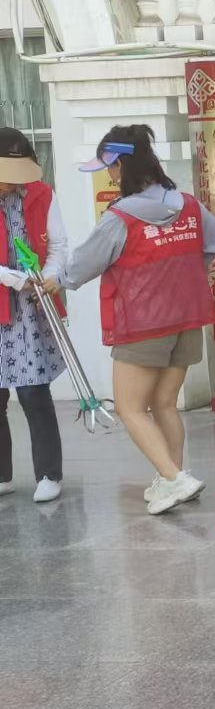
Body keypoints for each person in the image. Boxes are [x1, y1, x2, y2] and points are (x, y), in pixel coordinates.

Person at [63, 126, 215, 515]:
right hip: (187, 318)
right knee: (164, 404)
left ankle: (175, 479)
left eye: (110, 168)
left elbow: (80, 267)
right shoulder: (188, 205)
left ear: (122, 165)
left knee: (130, 408)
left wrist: (59, 278)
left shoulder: (120, 217)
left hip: (141, 324)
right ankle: (172, 477)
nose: (110, 176)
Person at [0, 130, 67, 503]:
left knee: (33, 392)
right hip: (5, 296)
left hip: (29, 309)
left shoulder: (42, 193)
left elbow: (58, 245)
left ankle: (48, 473)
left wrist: (50, 276)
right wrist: (15, 279)